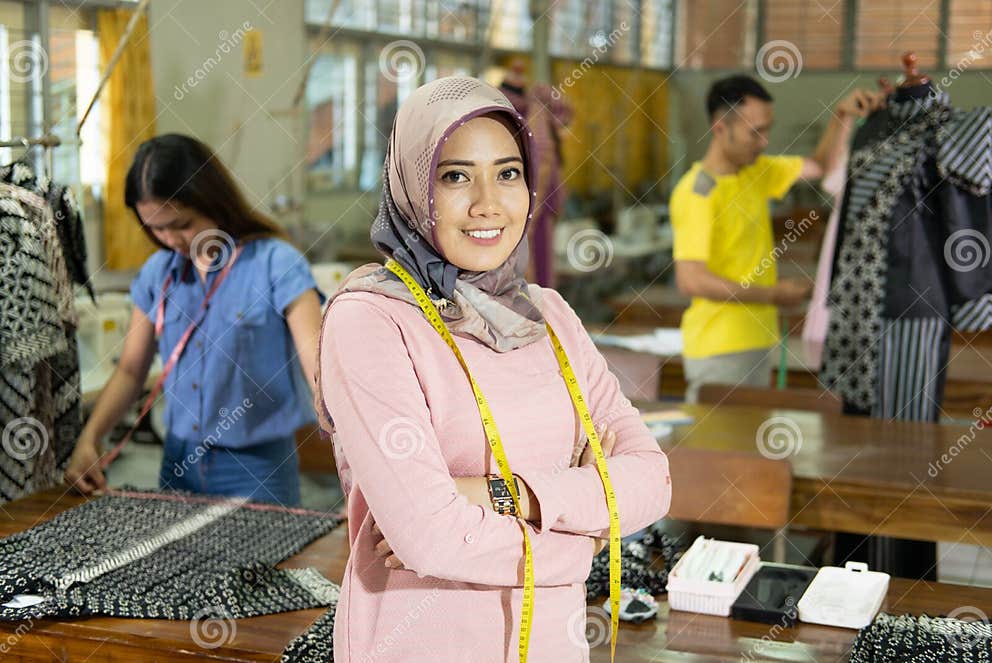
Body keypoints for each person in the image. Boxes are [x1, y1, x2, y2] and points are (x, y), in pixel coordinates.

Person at [318, 77, 671, 661]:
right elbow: (432, 538)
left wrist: (486, 495)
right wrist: (581, 543)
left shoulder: (548, 314)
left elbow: (651, 481)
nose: (488, 203)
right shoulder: (371, 322)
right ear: (410, 182)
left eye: (508, 173)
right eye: (455, 176)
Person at [65, 134, 323, 506]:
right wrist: (90, 439)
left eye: (181, 224)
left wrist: (360, 455)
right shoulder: (159, 274)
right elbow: (129, 371)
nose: (171, 239)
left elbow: (320, 373)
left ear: (212, 202)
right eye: (155, 228)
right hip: (179, 464)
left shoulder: (277, 265)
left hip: (257, 468)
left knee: (262, 565)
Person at [670, 75, 886, 402]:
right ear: (719, 128)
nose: (764, 141)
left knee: (744, 446)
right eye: (754, 131)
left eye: (767, 129)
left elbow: (820, 165)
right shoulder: (698, 192)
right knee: (719, 448)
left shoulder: (756, 172)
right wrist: (772, 294)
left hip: (755, 342)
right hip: (719, 347)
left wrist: (842, 116)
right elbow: (691, 280)